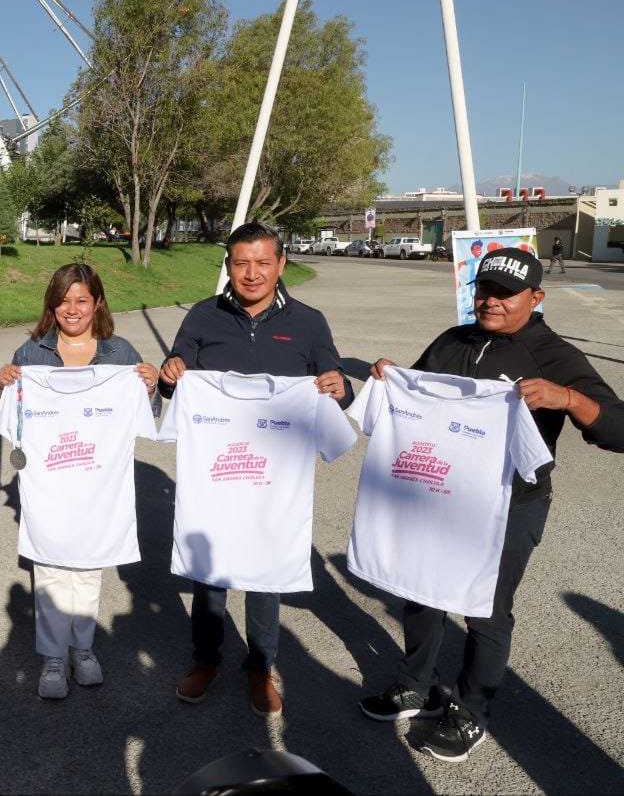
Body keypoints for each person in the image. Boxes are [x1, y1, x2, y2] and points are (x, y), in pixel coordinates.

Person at [360, 247, 624, 762]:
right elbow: (415, 396)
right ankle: (417, 686)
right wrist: (389, 378)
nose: (491, 301)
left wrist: (568, 399)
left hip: (511, 505)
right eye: (484, 290)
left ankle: (472, 711)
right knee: (421, 588)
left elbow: (618, 428)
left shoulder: (554, 355)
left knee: (486, 609)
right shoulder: (453, 340)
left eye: (506, 294)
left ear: (536, 298)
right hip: (439, 493)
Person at [158, 222, 353, 717]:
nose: (251, 273)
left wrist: (338, 385)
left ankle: (260, 667)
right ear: (228, 264)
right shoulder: (203, 315)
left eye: (262, 263)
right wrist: (173, 370)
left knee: (268, 571)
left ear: (281, 264)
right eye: (241, 262)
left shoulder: (308, 322)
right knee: (209, 571)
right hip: (217, 475)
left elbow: (336, 384)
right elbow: (176, 375)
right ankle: (206, 659)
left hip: (274, 482)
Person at [0, 263, 159, 699]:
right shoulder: (31, 355)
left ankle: (82, 649)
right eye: (63, 300)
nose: (72, 308)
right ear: (52, 304)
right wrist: (1, 382)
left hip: (97, 489)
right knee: (48, 569)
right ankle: (51, 656)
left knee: (87, 568)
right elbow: (2, 406)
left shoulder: (121, 354)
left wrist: (151, 385)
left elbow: (147, 418)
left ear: (97, 302)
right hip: (48, 488)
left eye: (82, 299)